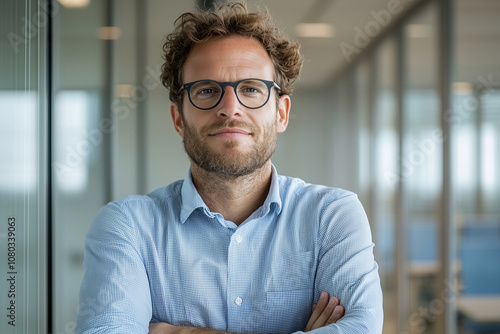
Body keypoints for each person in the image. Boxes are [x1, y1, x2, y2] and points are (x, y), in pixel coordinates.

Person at [75, 2, 383, 333]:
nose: (230, 108)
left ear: (281, 113)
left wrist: (181, 331)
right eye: (206, 91)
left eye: (251, 89)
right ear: (179, 119)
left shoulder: (333, 216)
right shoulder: (127, 228)